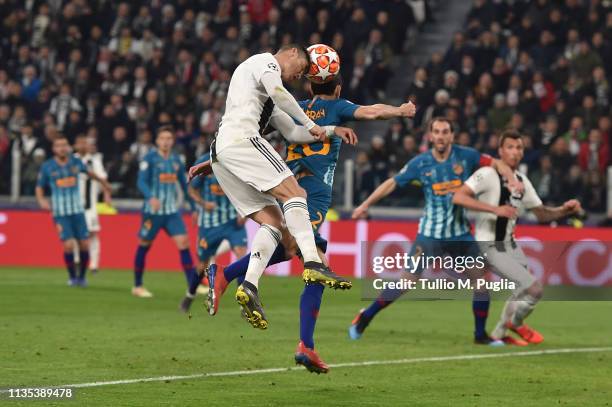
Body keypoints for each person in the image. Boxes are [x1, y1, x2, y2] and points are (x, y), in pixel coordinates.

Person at [204, 75, 415, 373]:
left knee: (297, 250)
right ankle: (302, 343)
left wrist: (209, 158)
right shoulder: (339, 107)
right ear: (338, 88)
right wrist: (400, 111)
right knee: (312, 261)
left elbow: (245, 134)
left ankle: (302, 341)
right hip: (311, 193)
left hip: (284, 181)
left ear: (310, 87)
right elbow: (371, 111)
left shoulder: (294, 107)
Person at [190, 45, 353, 330]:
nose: (297, 76)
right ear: (291, 52)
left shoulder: (265, 95)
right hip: (241, 141)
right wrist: (308, 120)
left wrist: (328, 130)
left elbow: (292, 133)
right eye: (300, 69)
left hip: (224, 154)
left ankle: (248, 284)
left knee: (274, 223)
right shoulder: (265, 62)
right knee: (296, 194)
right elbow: (281, 94)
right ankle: (314, 263)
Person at [349, 117, 521, 345]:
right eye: (436, 132)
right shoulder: (420, 163)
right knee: (405, 283)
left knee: (480, 283)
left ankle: (480, 336)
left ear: (451, 135)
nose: (440, 136)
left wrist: (511, 179)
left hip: (460, 234)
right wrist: (365, 205)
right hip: (430, 235)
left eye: (445, 132)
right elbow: (392, 183)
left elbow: (497, 163)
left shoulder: (466, 155)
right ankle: (365, 317)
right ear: (430, 136)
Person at [452, 129, 583, 345]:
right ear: (500, 151)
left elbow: (541, 213)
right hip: (488, 244)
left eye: (519, 147)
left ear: (523, 152)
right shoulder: (486, 174)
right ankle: (516, 323)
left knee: (521, 290)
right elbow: (459, 197)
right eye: (510, 147)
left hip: (510, 245)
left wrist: (564, 209)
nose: (514, 152)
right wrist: (494, 210)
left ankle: (499, 334)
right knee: (533, 289)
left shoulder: (522, 181)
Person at [132, 126, 199, 314]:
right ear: (157, 141)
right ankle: (137, 285)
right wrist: (150, 197)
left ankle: (191, 285)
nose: (166, 141)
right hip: (152, 213)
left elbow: (184, 185)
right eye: (162, 138)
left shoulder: (176, 160)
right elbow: (141, 181)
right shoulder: (149, 159)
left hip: (172, 212)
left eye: (169, 138)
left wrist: (193, 208)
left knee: (183, 243)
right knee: (144, 244)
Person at [35, 136, 112, 286]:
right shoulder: (48, 166)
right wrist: (41, 200)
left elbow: (90, 173)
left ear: (68, 147)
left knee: (84, 244)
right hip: (60, 213)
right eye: (59, 146)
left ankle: (82, 277)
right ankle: (72, 277)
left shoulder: (75, 162)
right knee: (68, 245)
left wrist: (105, 184)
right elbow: (39, 186)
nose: (62, 148)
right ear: (54, 149)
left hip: (78, 211)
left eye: (64, 145)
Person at [187, 151, 247, 295]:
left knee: (242, 255)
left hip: (233, 221)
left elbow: (248, 187)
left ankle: (243, 300)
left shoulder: (238, 159)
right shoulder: (203, 161)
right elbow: (191, 189)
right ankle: (190, 294)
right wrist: (202, 203)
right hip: (210, 222)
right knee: (202, 264)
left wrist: (244, 211)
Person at [74, 135, 109, 274]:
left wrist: (106, 193)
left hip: (90, 205)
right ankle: (77, 260)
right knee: (76, 234)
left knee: (92, 233)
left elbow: (103, 178)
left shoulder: (94, 161)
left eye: (85, 143)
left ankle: (94, 264)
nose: (83, 145)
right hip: (74, 205)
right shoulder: (72, 160)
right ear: (75, 145)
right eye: (80, 142)